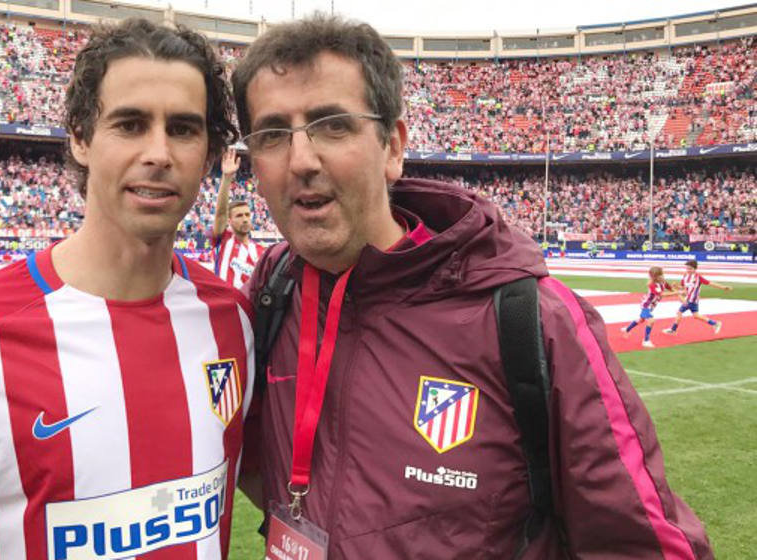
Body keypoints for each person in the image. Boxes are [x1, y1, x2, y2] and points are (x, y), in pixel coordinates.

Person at [232, 14, 712, 559]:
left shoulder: (529, 318)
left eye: (333, 125)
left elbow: (642, 546)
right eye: (272, 135)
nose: (301, 160)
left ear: (392, 146)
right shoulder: (268, 296)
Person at [0, 18, 254, 560]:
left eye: (182, 128)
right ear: (81, 138)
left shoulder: (234, 319)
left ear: (208, 153)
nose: (159, 152)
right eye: (130, 124)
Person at [211, 146, 263, 288]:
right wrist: (227, 178)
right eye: (239, 215)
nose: (245, 219)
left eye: (247, 214)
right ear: (230, 221)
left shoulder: (261, 252)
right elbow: (220, 214)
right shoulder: (223, 240)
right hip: (224, 306)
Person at [663, 259, 732, 335]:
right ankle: (715, 323)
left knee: (679, 312)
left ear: (695, 269)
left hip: (692, 300)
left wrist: (723, 287)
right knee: (696, 315)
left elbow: (710, 283)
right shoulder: (685, 276)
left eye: (690, 269)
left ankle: (673, 330)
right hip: (691, 299)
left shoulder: (698, 277)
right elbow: (683, 287)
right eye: (687, 268)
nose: (688, 270)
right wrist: (676, 286)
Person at [621, 266, 680, 348]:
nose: (661, 276)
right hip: (646, 305)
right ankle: (646, 341)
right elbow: (661, 294)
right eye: (659, 275)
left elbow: (670, 289)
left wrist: (678, 290)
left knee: (641, 320)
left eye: (661, 275)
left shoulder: (663, 282)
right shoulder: (652, 285)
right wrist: (677, 293)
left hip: (652, 306)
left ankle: (627, 329)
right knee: (651, 321)